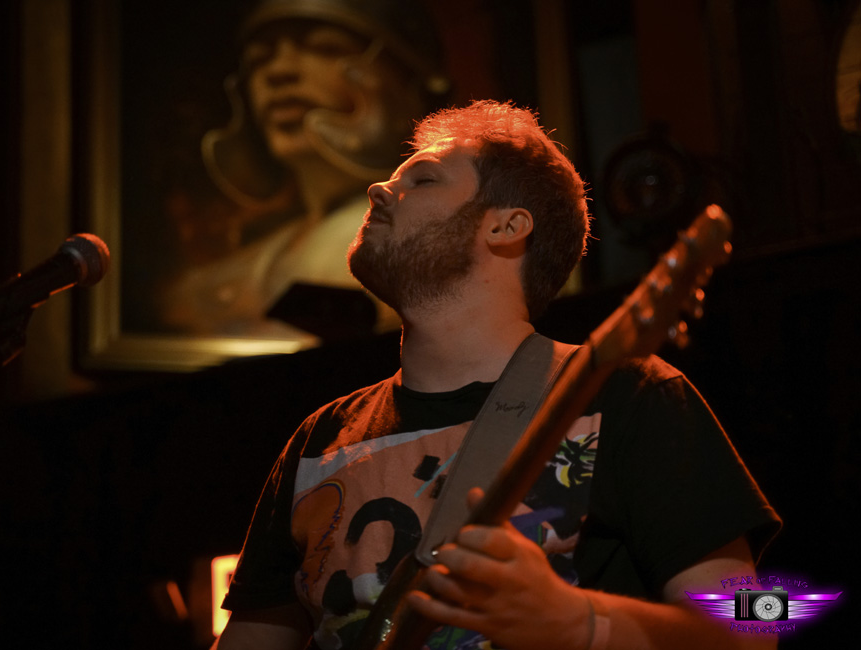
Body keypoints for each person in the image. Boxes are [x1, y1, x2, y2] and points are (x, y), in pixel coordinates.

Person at [212, 100, 781, 650]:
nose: (378, 189)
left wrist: (585, 625)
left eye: (424, 179)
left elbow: (756, 622)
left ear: (506, 226)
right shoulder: (318, 441)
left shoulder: (630, 396)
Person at [162, 0, 450, 342]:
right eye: (259, 60)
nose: (279, 71)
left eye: (326, 48)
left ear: (411, 83)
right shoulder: (214, 280)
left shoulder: (443, 237)